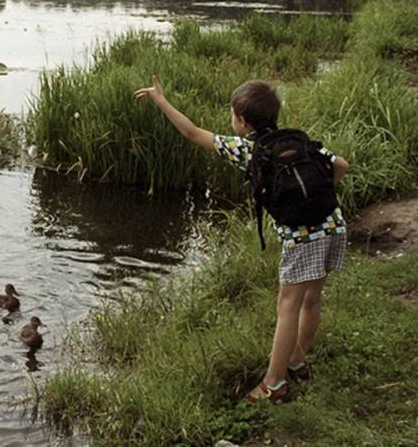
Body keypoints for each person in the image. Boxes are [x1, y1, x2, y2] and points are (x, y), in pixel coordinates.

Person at [133, 76, 350, 403]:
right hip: (333, 225)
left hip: (302, 237)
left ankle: (274, 384)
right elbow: (342, 166)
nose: (231, 119)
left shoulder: (247, 149)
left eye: (232, 114)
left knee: (288, 305)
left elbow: (192, 133)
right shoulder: (297, 140)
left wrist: (161, 100)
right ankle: (297, 360)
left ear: (243, 121)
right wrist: (318, 197)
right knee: (311, 299)